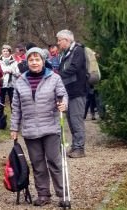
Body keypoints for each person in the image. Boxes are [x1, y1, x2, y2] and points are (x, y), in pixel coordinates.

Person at [10, 47, 68, 207]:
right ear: (27, 62)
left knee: (54, 161)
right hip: (30, 129)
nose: (34, 62)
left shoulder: (54, 78)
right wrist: (14, 128)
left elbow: (63, 95)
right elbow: (16, 107)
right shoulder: (20, 81)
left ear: (43, 61)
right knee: (37, 163)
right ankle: (43, 194)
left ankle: (63, 193)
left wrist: (64, 104)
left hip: (51, 127)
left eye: (37, 59)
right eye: (31, 60)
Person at [57, 29, 87, 158]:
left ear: (67, 40)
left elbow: (74, 67)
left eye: (59, 40)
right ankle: (75, 146)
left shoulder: (78, 50)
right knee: (71, 120)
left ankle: (79, 148)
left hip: (78, 91)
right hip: (69, 91)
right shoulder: (65, 53)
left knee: (76, 120)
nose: (58, 43)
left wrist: (58, 75)